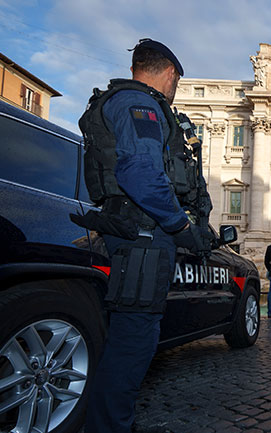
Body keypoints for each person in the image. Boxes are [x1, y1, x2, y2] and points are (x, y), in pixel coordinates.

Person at [77, 39, 211, 433]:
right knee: (133, 340)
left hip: (138, 230)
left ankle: (109, 421)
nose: (175, 90)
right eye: (177, 82)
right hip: (144, 234)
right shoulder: (140, 105)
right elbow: (141, 175)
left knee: (128, 336)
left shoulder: (125, 102)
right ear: (169, 73)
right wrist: (181, 226)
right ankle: (109, 426)